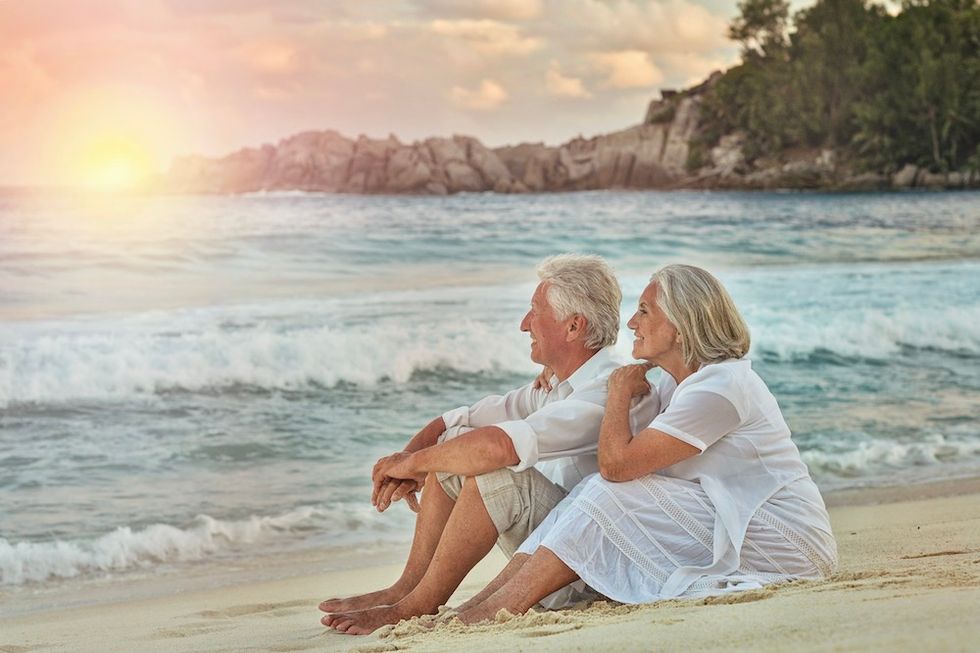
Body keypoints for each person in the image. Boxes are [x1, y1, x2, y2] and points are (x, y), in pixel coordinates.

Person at [454, 264, 838, 623]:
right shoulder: (675, 383)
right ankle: (485, 604)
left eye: (644, 311)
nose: (632, 323)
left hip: (785, 540)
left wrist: (619, 390)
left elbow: (617, 466)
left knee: (608, 488)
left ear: (681, 327)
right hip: (730, 518)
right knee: (591, 491)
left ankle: (502, 605)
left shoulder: (722, 387)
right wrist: (555, 371)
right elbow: (615, 442)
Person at [319, 254, 659, 635]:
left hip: (589, 569)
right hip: (552, 550)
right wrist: (409, 460)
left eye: (534, 312)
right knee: (454, 448)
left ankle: (418, 605)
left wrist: (411, 467)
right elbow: (456, 421)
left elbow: (499, 448)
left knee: (496, 472)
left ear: (573, 326)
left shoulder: (607, 391)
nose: (524, 325)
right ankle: (408, 590)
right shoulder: (556, 384)